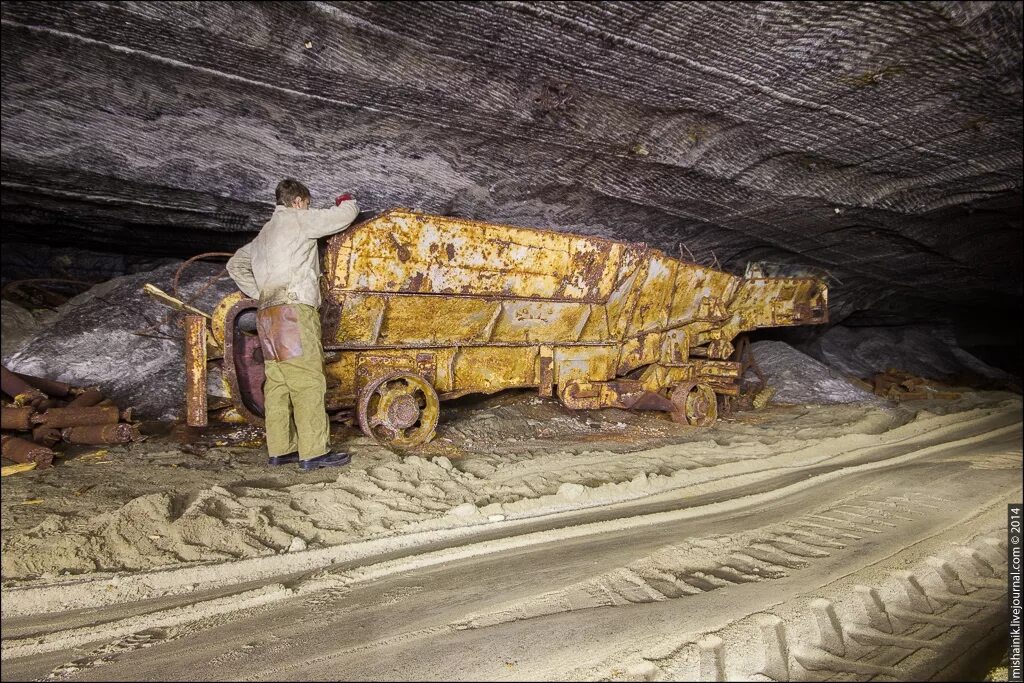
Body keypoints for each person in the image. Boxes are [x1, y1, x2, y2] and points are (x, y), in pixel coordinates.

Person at [227, 178, 360, 470]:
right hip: (293, 311)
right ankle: (313, 452)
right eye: (308, 204)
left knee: (278, 383)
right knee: (308, 380)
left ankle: (281, 449)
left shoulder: (263, 235)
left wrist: (260, 292)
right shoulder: (298, 220)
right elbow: (343, 217)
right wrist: (347, 200)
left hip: (267, 314)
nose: (307, 208)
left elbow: (234, 264)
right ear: (299, 201)